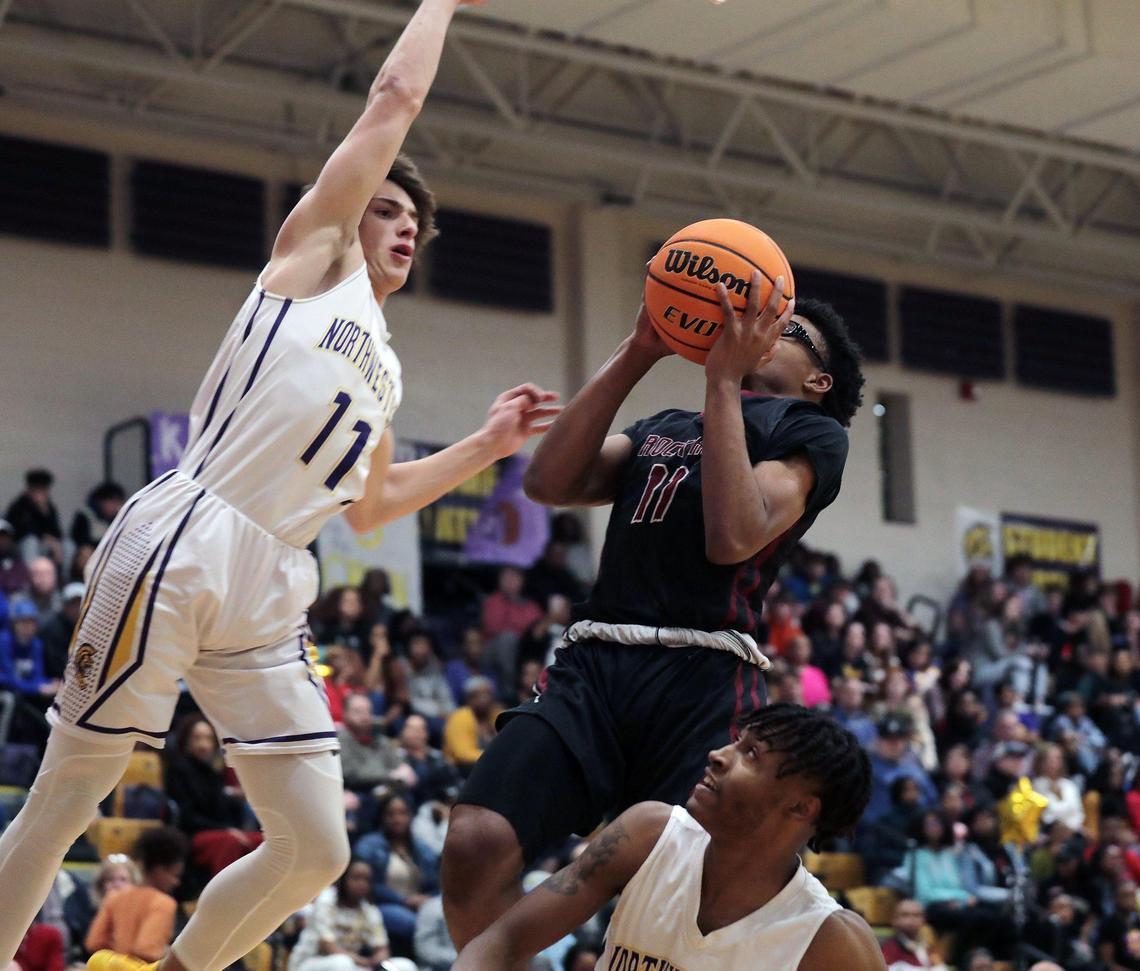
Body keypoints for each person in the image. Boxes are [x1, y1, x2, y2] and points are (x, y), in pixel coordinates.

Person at [0, 12, 558, 955]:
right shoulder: (315, 260)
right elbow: (396, 98)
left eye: (415, 220)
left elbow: (373, 504)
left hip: (273, 581)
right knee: (69, 794)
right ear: (347, 208)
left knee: (316, 844)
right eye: (388, 206)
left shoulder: (384, 360)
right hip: (188, 534)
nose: (405, 224)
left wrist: (487, 441)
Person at [443, 257, 865, 948]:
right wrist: (640, 348)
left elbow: (733, 535)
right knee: (475, 840)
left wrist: (724, 380)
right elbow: (550, 482)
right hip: (595, 662)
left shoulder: (813, 433)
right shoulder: (669, 422)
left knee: (665, 896)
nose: (762, 322)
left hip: (700, 675)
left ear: (817, 379)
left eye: (786, 327)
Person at [452, 704, 883, 970]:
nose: (718, 755)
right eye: (736, 742)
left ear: (801, 808)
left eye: (750, 754)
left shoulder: (831, 942)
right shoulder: (648, 834)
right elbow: (503, 942)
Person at [163, 716, 263, 882]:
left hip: (221, 830)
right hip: (193, 833)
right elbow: (187, 816)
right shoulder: (177, 770)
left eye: (208, 738)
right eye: (197, 738)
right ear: (186, 740)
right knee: (230, 841)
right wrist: (225, 829)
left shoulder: (213, 773)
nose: (203, 744)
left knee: (264, 841)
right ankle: (226, 894)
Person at [85, 828, 188, 965]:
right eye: (174, 875)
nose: (177, 882)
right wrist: (171, 953)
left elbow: (94, 942)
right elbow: (147, 950)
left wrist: (120, 951)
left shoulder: (115, 897)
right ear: (159, 870)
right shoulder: (164, 903)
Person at [354, 794, 440, 958]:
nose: (397, 819)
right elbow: (368, 885)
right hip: (382, 904)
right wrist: (404, 901)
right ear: (382, 816)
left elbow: (436, 885)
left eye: (402, 813)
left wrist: (427, 899)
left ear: (410, 815)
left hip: (421, 905)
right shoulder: (369, 845)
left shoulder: (422, 848)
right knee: (413, 924)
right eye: (391, 814)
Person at [285, 860, 396, 971]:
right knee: (342, 963)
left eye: (366, 880)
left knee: (403, 965)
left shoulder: (370, 911)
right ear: (343, 878)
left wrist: (379, 959)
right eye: (356, 878)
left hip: (353, 964)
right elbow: (327, 946)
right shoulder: (326, 900)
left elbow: (382, 948)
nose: (362, 884)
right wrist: (365, 962)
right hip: (310, 962)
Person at [442, 676, 503, 774]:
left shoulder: (495, 714)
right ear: (469, 698)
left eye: (488, 694)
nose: (484, 699)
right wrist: (497, 757)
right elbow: (462, 754)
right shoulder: (461, 717)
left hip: (489, 765)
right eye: (479, 695)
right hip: (462, 770)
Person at [4, 470, 62, 565]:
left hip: (46, 545)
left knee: (67, 545)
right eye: (37, 490)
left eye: (43, 490)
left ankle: (64, 577)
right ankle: (31, 577)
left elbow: (58, 533)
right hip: (21, 545)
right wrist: (43, 537)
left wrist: (45, 514)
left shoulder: (49, 508)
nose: (40, 494)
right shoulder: (19, 506)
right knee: (31, 542)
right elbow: (22, 531)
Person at [880, 898, 947, 971]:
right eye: (905, 915)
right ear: (894, 919)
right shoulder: (888, 949)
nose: (911, 919)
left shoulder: (929, 947)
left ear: (924, 920)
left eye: (917, 915)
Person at [70, 484, 127, 560]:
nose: (115, 506)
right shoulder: (85, 515)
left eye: (117, 502)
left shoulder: (121, 518)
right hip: (91, 553)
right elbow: (80, 541)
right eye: (111, 502)